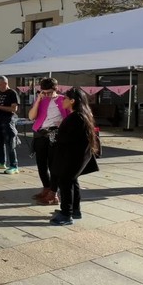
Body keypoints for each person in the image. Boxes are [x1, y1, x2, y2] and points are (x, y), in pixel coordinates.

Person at [50, 88, 99, 225]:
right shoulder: (80, 115)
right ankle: (74, 210)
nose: (62, 101)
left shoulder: (76, 117)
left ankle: (66, 214)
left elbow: (68, 139)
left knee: (65, 182)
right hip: (76, 156)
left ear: (72, 101)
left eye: (65, 98)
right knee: (72, 181)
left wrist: (58, 132)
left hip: (72, 157)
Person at [28, 78, 71, 205]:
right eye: (44, 92)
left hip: (55, 135)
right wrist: (38, 100)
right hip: (40, 134)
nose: (46, 95)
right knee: (41, 165)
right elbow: (31, 116)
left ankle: (54, 193)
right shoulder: (41, 99)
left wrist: (63, 123)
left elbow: (71, 116)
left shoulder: (63, 100)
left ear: (56, 89)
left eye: (49, 93)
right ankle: (46, 189)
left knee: (54, 166)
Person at [0, 76, 20, 174]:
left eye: (0, 85)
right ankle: (2, 162)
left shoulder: (12, 93)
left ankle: (14, 166)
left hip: (8, 121)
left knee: (10, 143)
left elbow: (14, 109)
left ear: (5, 83)